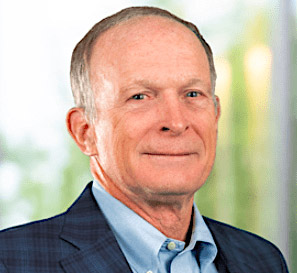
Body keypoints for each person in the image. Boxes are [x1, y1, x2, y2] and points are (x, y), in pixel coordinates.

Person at [0, 6, 289, 273]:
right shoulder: (11, 261)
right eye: (140, 97)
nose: (176, 122)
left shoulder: (262, 260)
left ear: (215, 114)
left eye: (192, 94)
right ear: (85, 132)